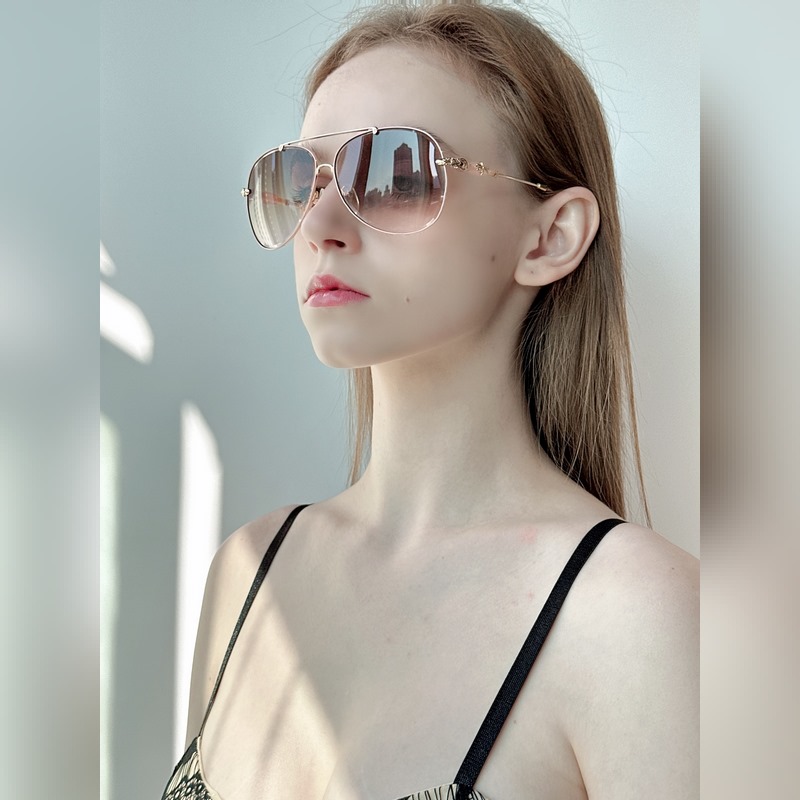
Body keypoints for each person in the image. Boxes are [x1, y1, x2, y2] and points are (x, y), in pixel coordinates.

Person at [162, 1, 698, 798]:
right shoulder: (246, 574)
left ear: (550, 236)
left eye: (396, 172)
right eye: (301, 179)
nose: (321, 224)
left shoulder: (637, 614)